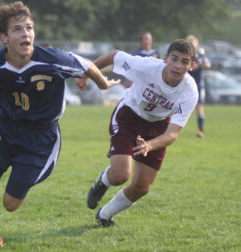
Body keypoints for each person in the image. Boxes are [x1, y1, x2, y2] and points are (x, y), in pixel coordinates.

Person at [0, 1, 119, 248]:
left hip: (40, 137)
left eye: (29, 28)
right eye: (18, 29)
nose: (26, 34)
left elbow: (85, 64)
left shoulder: (52, 59)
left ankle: (25, 169)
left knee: (11, 204)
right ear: (4, 37)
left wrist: (101, 83)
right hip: (4, 128)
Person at [78, 39, 198, 227]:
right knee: (120, 175)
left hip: (157, 127)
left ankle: (105, 214)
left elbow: (172, 134)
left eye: (184, 61)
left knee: (142, 187)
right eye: (174, 59)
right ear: (166, 58)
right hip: (129, 115)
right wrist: (87, 75)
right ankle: (101, 182)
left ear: (192, 66)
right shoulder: (147, 66)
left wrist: (149, 145)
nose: (177, 65)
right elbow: (114, 55)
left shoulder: (190, 91)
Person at [186, 35, 211, 137]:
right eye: (190, 42)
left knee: (199, 106)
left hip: (198, 85)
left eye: (193, 42)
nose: (192, 44)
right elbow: (189, 67)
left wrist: (203, 64)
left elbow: (208, 65)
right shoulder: (187, 55)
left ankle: (200, 130)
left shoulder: (201, 55)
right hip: (186, 85)